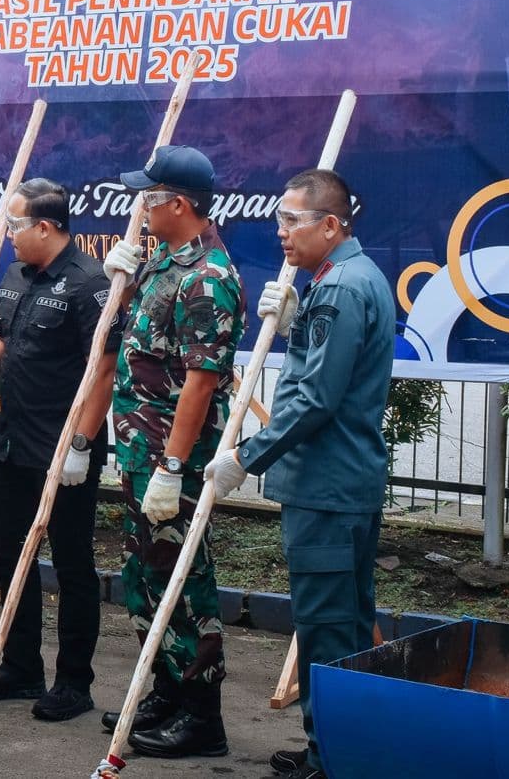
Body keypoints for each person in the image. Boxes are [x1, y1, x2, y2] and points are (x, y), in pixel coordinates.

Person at [204, 168, 393, 779]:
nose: (281, 231)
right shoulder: (344, 280)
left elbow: (315, 399)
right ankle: (341, 748)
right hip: (342, 486)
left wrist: (245, 457)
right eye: (279, 218)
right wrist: (297, 320)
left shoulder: (340, 287)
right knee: (344, 623)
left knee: (327, 630)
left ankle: (331, 759)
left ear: (332, 225)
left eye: (292, 220)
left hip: (327, 488)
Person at [0, 178, 117, 723]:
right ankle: (20, 667)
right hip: (13, 442)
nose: (8, 235)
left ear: (45, 226)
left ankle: (73, 681)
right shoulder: (17, 275)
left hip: (64, 448)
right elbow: (4, 342)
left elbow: (103, 371)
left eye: (14, 225)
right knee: (9, 556)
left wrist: (82, 445)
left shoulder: (90, 284)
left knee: (71, 564)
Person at [97, 146, 245, 759]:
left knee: (184, 581)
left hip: (168, 461)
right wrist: (124, 284)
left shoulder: (207, 278)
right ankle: (164, 688)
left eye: (148, 198)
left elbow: (201, 381)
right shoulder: (164, 266)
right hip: (140, 452)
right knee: (145, 575)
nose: (140, 208)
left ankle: (201, 713)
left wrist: (173, 466)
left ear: (177, 204)